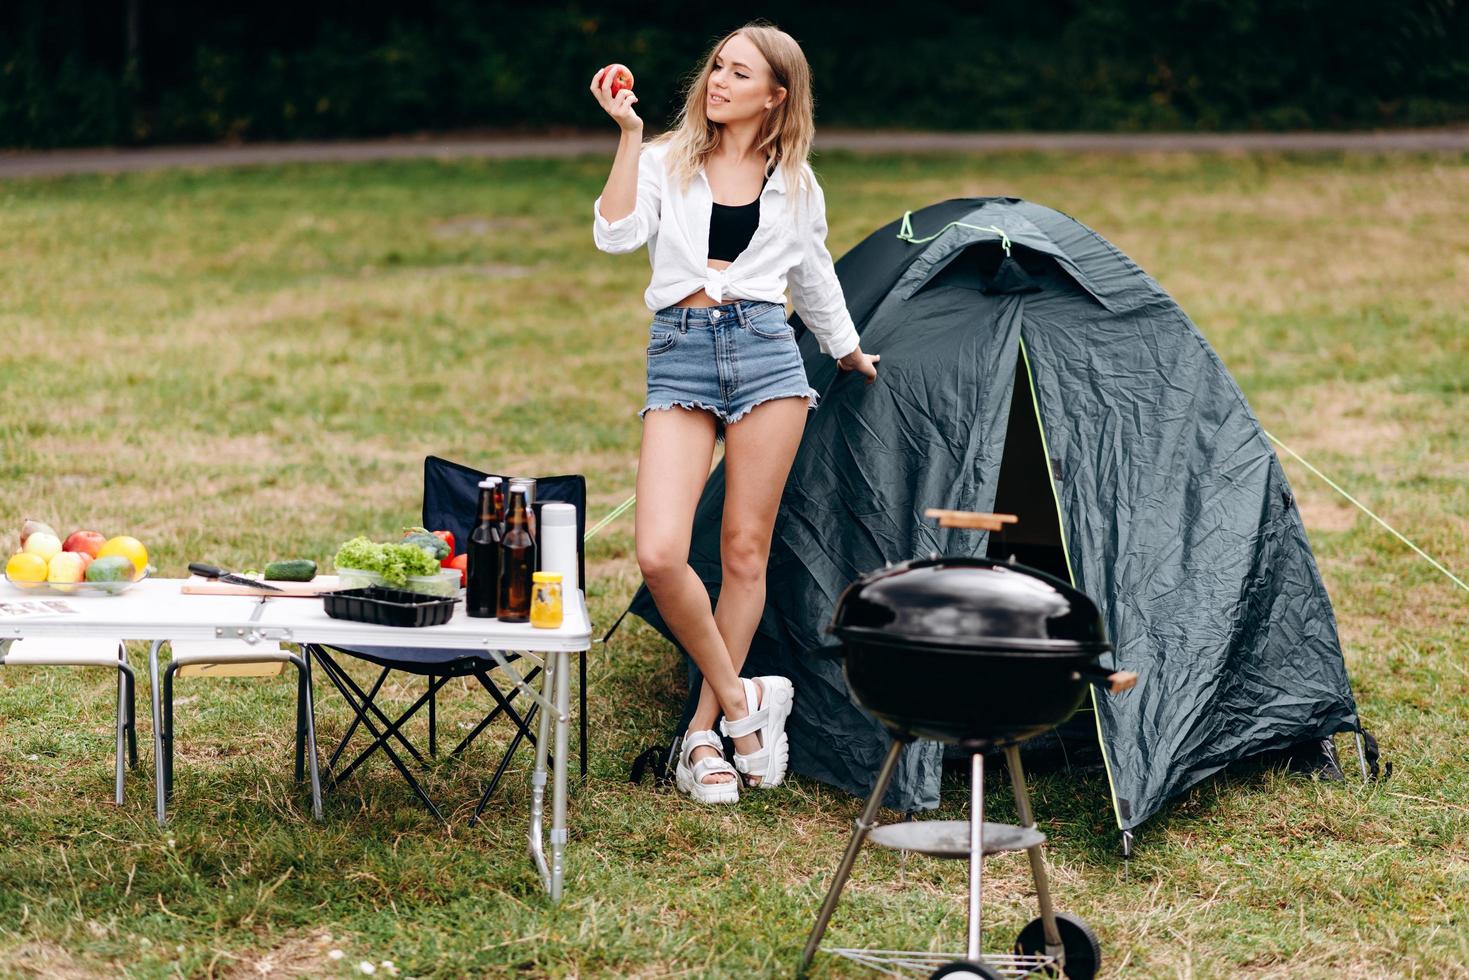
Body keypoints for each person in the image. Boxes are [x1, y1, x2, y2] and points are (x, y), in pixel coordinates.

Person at [590, 23, 880, 804]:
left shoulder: (796, 182)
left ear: (774, 95)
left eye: (737, 72)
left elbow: (813, 275)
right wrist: (627, 134)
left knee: (744, 554)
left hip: (765, 355)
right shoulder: (662, 159)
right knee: (659, 552)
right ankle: (749, 702)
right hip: (680, 353)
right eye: (716, 65)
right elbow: (614, 235)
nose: (716, 80)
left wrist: (847, 351)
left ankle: (702, 736)